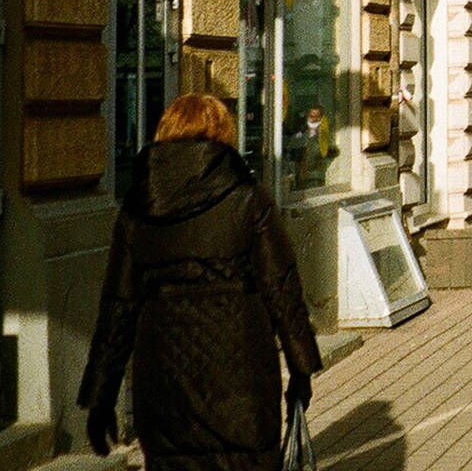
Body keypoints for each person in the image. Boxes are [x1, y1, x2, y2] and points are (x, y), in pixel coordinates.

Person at [79, 94, 321, 470]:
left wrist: (101, 396)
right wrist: (301, 370)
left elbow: (117, 308)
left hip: (163, 382)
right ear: (223, 137)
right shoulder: (248, 200)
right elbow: (282, 290)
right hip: (243, 380)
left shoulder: (138, 207)